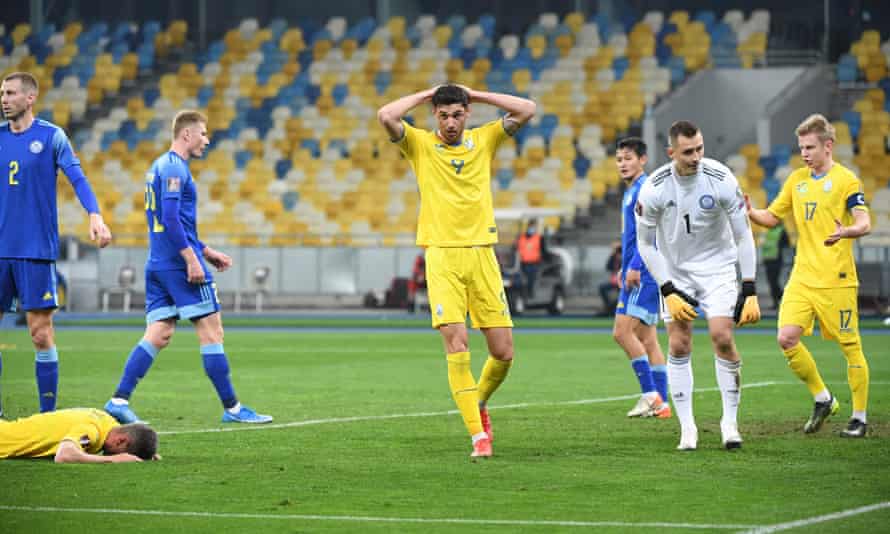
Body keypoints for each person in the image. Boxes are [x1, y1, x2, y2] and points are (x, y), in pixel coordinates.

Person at [377, 84, 535, 457]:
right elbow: (386, 115)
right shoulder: (418, 144)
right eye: (444, 115)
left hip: (482, 254)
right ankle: (478, 436)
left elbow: (527, 108)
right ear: (435, 115)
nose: (450, 122)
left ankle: (477, 403)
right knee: (457, 344)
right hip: (442, 256)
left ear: (467, 114)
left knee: (503, 351)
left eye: (458, 114)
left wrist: (475, 95)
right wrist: (427, 93)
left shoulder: (485, 139)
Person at [103, 110, 272, 425]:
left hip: (159, 262)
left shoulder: (159, 166)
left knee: (159, 332)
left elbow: (175, 221)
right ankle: (233, 408)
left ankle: (118, 400)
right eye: (204, 134)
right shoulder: (174, 169)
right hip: (178, 266)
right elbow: (169, 219)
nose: (207, 141)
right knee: (212, 331)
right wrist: (192, 259)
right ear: (187, 135)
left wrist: (205, 251)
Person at [636, 120, 761, 451]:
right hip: (675, 272)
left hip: (718, 269)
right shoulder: (654, 188)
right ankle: (687, 428)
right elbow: (646, 245)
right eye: (688, 151)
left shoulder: (720, 179)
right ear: (671, 152)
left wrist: (749, 288)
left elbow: (743, 234)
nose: (696, 157)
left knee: (722, 336)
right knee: (678, 345)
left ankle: (729, 423)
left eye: (700, 149)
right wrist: (667, 288)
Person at [747, 114, 871, 438]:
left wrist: (848, 232)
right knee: (786, 338)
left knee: (850, 347)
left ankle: (859, 417)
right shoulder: (796, 180)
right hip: (802, 277)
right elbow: (771, 217)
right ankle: (823, 398)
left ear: (828, 146)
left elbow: (864, 221)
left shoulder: (847, 180)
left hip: (837, 279)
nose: (804, 153)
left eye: (810, 147)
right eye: (801, 147)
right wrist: (749, 211)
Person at [0, 71, 112, 416]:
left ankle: (47, 415)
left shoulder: (51, 137)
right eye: (2, 93)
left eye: (11, 93)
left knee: (40, 334)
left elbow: (77, 177)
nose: (4, 99)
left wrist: (95, 214)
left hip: (35, 250)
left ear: (30, 98)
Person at [612, 137, 670, 419]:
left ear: (643, 160)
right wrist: (623, 266)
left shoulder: (644, 189)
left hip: (644, 271)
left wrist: (634, 265)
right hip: (637, 269)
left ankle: (651, 396)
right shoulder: (632, 190)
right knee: (648, 339)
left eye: (628, 158)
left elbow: (652, 233)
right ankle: (664, 404)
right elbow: (632, 236)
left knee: (622, 332)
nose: (623, 164)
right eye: (619, 159)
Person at [0, 407, 157, 463]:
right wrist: (113, 459)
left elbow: (138, 434)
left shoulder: (107, 422)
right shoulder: (92, 432)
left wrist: (147, 452)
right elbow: (64, 455)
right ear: (121, 440)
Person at [760, 223, 790, 309]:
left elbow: (786, 244)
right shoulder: (766, 230)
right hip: (767, 259)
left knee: (774, 282)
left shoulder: (781, 230)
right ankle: (776, 303)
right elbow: (763, 244)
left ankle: (784, 300)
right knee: (771, 282)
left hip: (777, 259)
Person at [516, 219, 543, 298]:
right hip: (523, 263)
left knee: (531, 280)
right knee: (523, 281)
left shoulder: (538, 238)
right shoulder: (522, 238)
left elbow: (542, 249)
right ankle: (524, 294)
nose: (531, 229)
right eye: (530, 226)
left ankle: (530, 294)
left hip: (534, 263)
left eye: (533, 227)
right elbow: (517, 249)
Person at [598, 242, 622, 315]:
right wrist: (612, 254)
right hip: (615, 282)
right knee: (602, 288)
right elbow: (608, 266)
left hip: (623, 282)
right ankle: (609, 307)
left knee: (622, 296)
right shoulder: (613, 258)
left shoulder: (625, 258)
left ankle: (611, 308)